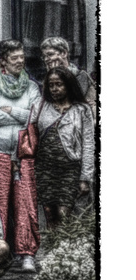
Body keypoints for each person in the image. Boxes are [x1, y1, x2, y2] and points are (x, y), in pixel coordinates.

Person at [0, 40, 42, 272]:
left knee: (25, 203)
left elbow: (34, 116)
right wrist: (21, 114)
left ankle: (26, 253)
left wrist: (11, 110)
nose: (20, 60)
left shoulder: (32, 86)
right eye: (14, 57)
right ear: (3, 60)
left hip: (24, 152)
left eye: (21, 56)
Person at [31, 68, 95, 230]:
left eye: (59, 84)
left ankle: (66, 250)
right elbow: (31, 133)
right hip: (45, 169)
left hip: (70, 170)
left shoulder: (82, 110)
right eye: (51, 85)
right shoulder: (40, 106)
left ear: (68, 85)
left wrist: (85, 177)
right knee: (49, 214)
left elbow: (88, 144)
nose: (54, 89)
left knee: (65, 214)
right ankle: (54, 252)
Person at [37, 36, 95, 106]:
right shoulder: (46, 78)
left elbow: (68, 103)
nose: (46, 59)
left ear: (64, 53)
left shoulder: (81, 75)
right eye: (44, 56)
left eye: (50, 54)